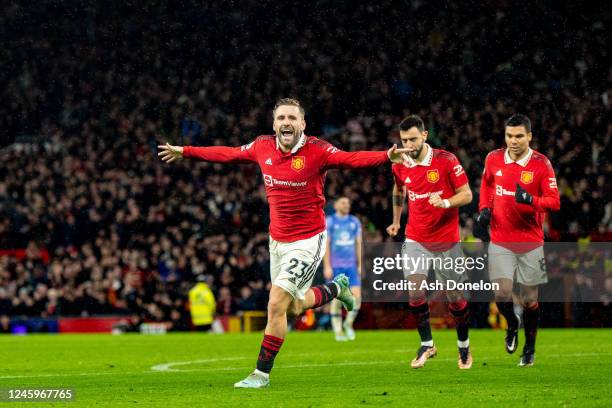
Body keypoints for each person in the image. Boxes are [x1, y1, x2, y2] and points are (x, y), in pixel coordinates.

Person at [158, 98, 408, 388]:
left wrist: (385, 156)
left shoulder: (318, 150)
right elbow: (226, 153)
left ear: (303, 124)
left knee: (276, 303)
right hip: (277, 241)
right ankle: (336, 288)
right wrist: (185, 151)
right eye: (280, 118)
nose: (286, 122)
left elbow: (351, 159)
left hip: (308, 239)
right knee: (294, 307)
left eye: (292, 117)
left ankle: (261, 374)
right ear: (274, 123)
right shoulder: (261, 146)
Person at [386, 114, 474, 369]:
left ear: (424, 135)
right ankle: (427, 344)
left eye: (413, 139)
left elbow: (467, 194)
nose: (409, 145)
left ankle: (464, 347)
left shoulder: (446, 160)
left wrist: (446, 202)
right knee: (415, 292)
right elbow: (398, 188)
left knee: (455, 298)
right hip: (416, 238)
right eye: (404, 140)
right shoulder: (399, 163)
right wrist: (396, 220)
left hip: (446, 241)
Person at [474, 113, 560, 367]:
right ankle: (512, 324)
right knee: (501, 293)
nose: (513, 140)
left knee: (530, 299)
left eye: (519, 136)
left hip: (530, 241)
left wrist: (531, 201)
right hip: (500, 238)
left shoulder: (541, 165)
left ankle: (529, 348)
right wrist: (483, 209)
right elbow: (487, 184)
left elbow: (554, 202)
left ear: (529, 136)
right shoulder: (493, 158)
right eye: (509, 135)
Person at [323, 197, 362, 341]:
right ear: (336, 205)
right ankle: (338, 331)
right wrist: (327, 265)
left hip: (351, 265)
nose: (347, 205)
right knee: (337, 299)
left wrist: (359, 264)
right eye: (344, 203)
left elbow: (358, 244)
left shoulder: (354, 222)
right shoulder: (330, 221)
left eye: (348, 203)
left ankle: (348, 324)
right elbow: (326, 244)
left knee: (357, 296)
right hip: (336, 266)